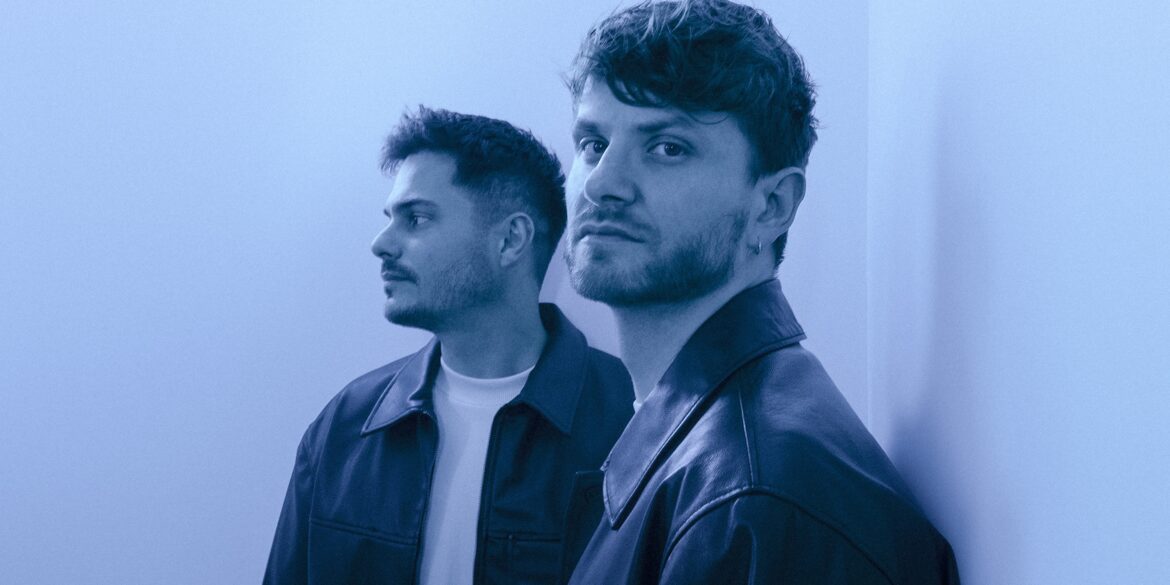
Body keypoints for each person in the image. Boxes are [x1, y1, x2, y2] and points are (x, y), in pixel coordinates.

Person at [561, 1, 960, 583]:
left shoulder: (754, 503)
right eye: (593, 144)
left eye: (667, 147)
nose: (602, 184)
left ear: (772, 206)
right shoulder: (717, 445)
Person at [263, 107, 634, 585]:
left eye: (416, 219)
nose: (381, 243)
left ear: (510, 240)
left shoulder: (632, 424)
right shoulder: (347, 426)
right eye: (390, 219)